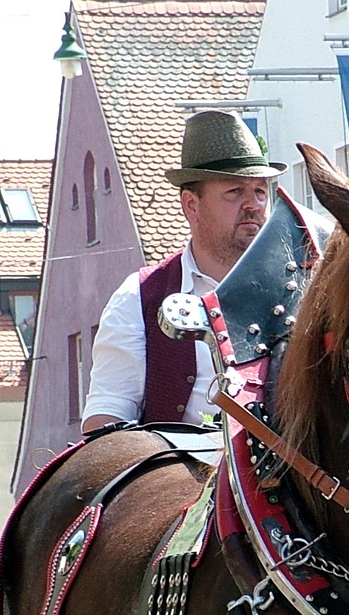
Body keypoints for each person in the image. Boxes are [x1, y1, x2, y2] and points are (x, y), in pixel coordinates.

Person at [81, 111, 285, 433]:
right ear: (191, 205)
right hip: (179, 472)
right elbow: (106, 420)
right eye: (234, 191)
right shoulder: (138, 297)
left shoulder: (299, 290)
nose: (254, 205)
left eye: (260, 191)